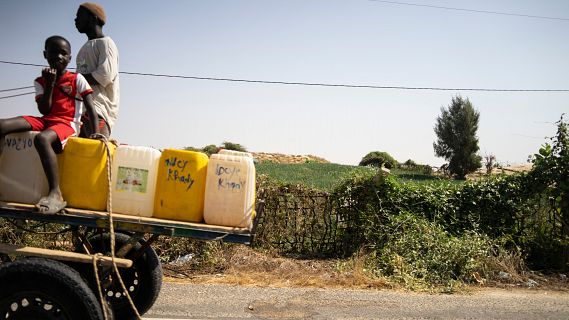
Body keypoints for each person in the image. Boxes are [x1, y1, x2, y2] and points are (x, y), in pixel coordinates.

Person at [0, 36, 99, 214]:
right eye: (54, 52)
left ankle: (55, 193)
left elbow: (91, 107)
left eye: (63, 53)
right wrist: (50, 84)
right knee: (1, 125)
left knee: (42, 139)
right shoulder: (40, 81)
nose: (58, 56)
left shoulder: (77, 79)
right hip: (47, 119)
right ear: (45, 54)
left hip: (67, 123)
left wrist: (97, 133)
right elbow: (44, 110)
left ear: (69, 58)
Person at [75, 2, 119, 138]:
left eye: (79, 16)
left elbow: (104, 76)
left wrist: (73, 79)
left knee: (96, 153)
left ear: (93, 18)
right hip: (80, 111)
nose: (75, 20)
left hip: (98, 111)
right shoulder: (83, 48)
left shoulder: (106, 43)